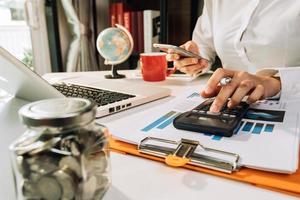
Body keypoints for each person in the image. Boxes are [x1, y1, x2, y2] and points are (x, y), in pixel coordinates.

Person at [166, 0, 300, 113]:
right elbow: (204, 45)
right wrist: (194, 59)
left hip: (290, 105)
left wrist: (278, 83)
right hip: (227, 102)